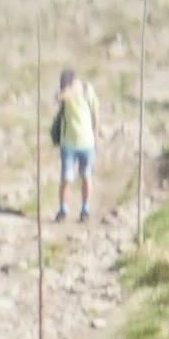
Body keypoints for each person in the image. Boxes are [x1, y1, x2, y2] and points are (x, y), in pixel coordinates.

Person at [51, 65, 97, 222]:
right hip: (68, 143)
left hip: (86, 142)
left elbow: (95, 111)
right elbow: (58, 97)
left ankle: (85, 209)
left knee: (86, 176)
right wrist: (66, 93)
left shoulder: (86, 90)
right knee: (66, 178)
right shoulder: (66, 93)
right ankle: (63, 209)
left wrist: (95, 133)